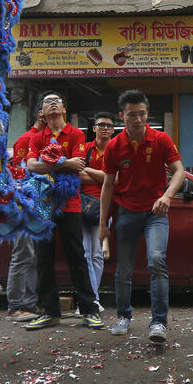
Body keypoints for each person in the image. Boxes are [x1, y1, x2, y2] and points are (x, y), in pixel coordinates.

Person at [99, 89, 185, 343]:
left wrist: (167, 196)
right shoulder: (114, 146)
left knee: (157, 260)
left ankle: (159, 322)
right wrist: (103, 224)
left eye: (142, 114)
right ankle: (123, 316)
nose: (137, 119)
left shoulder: (161, 140)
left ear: (148, 114)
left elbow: (179, 171)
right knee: (123, 269)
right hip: (125, 212)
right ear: (121, 117)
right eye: (132, 115)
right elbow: (107, 185)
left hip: (155, 213)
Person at [23, 91, 103, 331]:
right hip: (43, 206)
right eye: (47, 101)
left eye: (57, 100)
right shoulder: (37, 137)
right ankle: (49, 311)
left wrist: (52, 165)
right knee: (43, 259)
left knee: (77, 256)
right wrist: (63, 163)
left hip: (71, 204)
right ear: (42, 113)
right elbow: (31, 166)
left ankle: (89, 310)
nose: (53, 103)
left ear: (64, 109)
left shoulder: (77, 134)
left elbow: (78, 165)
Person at [4, 110, 46, 323]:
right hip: (24, 205)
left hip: (39, 206)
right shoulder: (27, 139)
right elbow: (17, 174)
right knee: (22, 253)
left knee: (32, 255)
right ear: (41, 115)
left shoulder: (46, 140)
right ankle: (16, 305)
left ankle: (29, 303)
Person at [81, 111, 117, 309]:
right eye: (101, 124)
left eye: (109, 125)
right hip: (83, 205)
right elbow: (77, 175)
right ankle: (91, 298)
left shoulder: (116, 150)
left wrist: (89, 171)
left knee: (97, 255)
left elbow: (118, 180)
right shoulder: (85, 149)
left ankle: (92, 299)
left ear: (113, 130)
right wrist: (105, 176)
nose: (105, 128)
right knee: (86, 253)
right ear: (94, 128)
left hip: (105, 208)